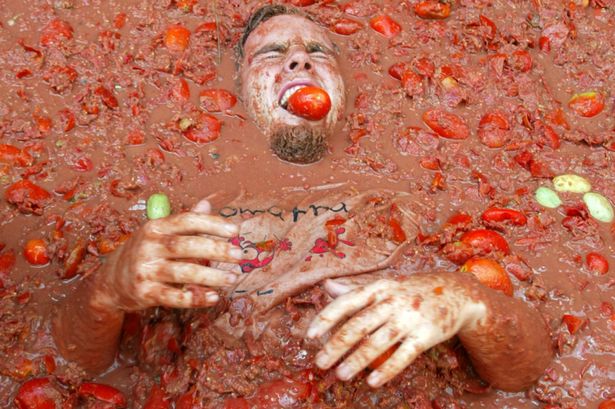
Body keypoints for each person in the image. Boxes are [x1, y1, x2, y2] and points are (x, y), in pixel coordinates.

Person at [52, 4, 552, 393]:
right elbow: (77, 366)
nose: (300, 58)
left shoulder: (421, 200)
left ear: (345, 89)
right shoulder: (185, 214)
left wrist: (465, 303)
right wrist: (106, 287)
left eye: (320, 52)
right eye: (272, 54)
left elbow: (523, 375)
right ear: (239, 91)